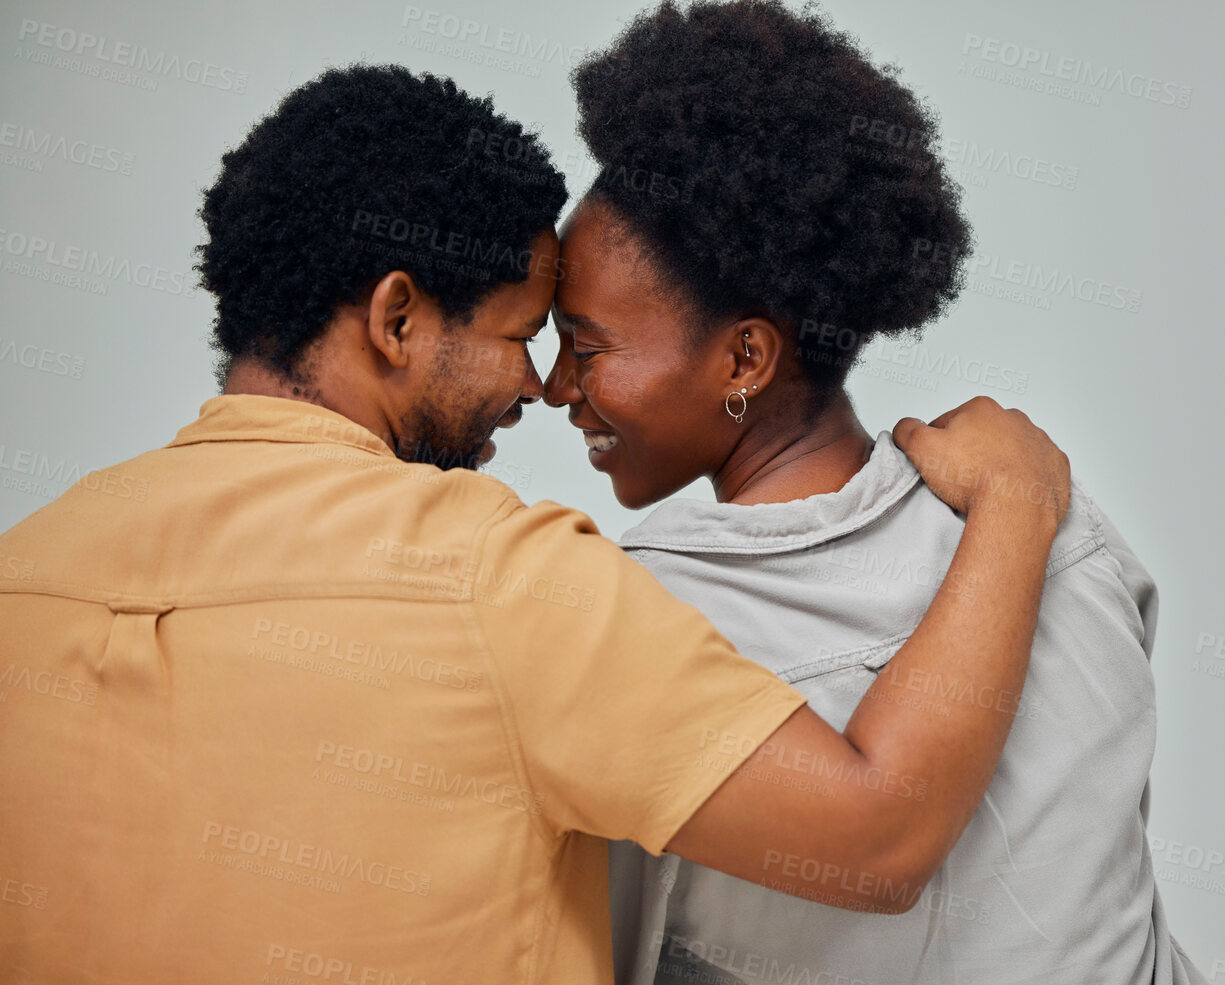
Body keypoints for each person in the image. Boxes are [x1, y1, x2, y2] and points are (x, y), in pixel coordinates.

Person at [0, 64, 1072, 985]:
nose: (538, 386)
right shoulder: (492, 577)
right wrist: (1017, 506)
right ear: (398, 317)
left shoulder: (25, 572)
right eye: (521, 333)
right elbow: (876, 837)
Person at [552, 5, 1207, 983]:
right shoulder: (1063, 528)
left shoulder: (636, 623)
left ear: (745, 356)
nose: (557, 386)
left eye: (586, 346)